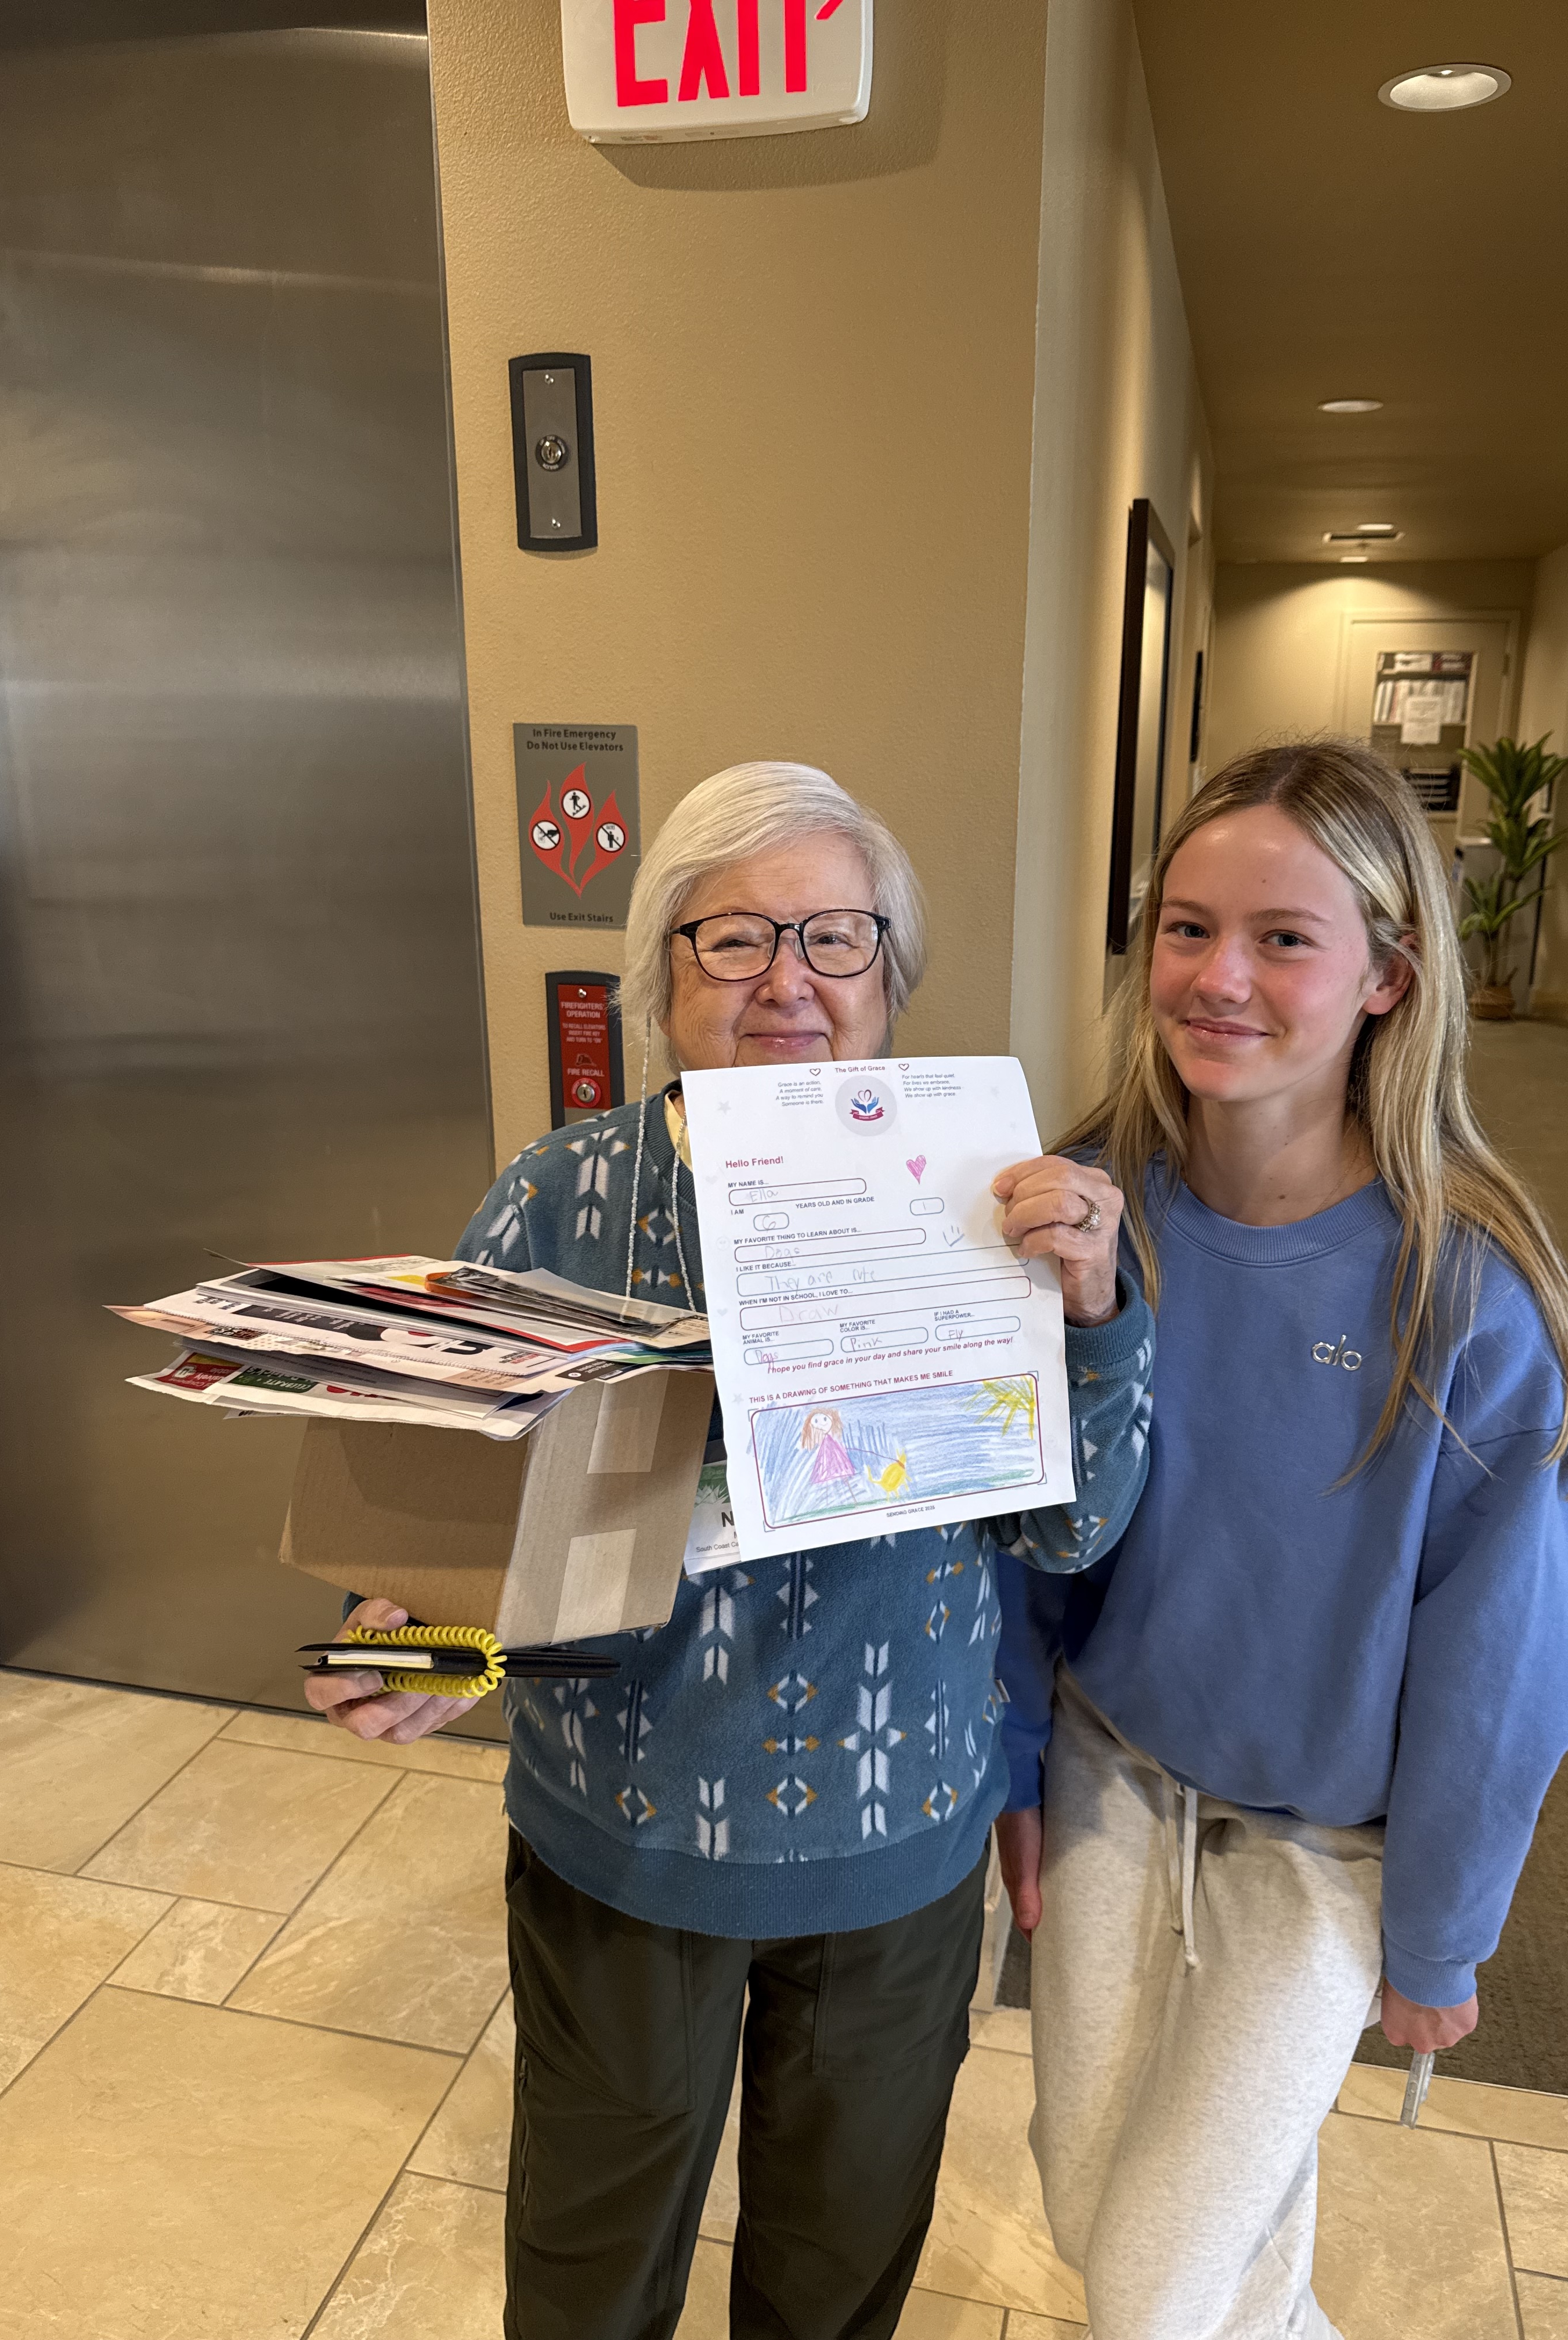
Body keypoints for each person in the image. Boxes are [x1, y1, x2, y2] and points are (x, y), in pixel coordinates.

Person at [306, 761, 1155, 2340]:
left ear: (890, 976)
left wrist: (1094, 1323)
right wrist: (419, 1642)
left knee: (838, 2270)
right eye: (732, 939)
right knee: (591, 2253)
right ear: (661, 980)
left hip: (894, 1842)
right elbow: (469, 1537)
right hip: (624, 1839)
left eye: (836, 939)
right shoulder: (560, 1199)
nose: (789, 983)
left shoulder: (996, 1204)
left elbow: (1071, 1523)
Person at [994, 741, 1568, 2340]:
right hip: (1115, 1776)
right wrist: (1012, 1767)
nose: (1217, 978)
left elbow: (1510, 1664)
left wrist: (1442, 1935)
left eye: (1284, 938)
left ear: (1390, 974)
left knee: (1155, 2282)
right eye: (1186, 928)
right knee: (1089, 2189)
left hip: (1326, 1856)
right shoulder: (1094, 1198)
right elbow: (1015, 1527)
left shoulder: (1467, 1289)